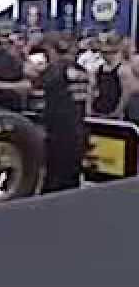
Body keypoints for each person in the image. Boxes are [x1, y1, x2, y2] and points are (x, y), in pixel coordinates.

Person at [41, 33, 89, 193]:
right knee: (72, 178)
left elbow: (40, 83)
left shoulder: (55, 70)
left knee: (55, 180)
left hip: (60, 130)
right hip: (79, 128)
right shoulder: (82, 70)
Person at [91, 33, 126, 118]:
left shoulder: (122, 70)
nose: (104, 55)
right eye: (102, 52)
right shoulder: (98, 69)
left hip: (114, 113)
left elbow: (124, 95)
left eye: (107, 52)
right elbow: (93, 90)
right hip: (98, 111)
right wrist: (90, 109)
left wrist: (117, 112)